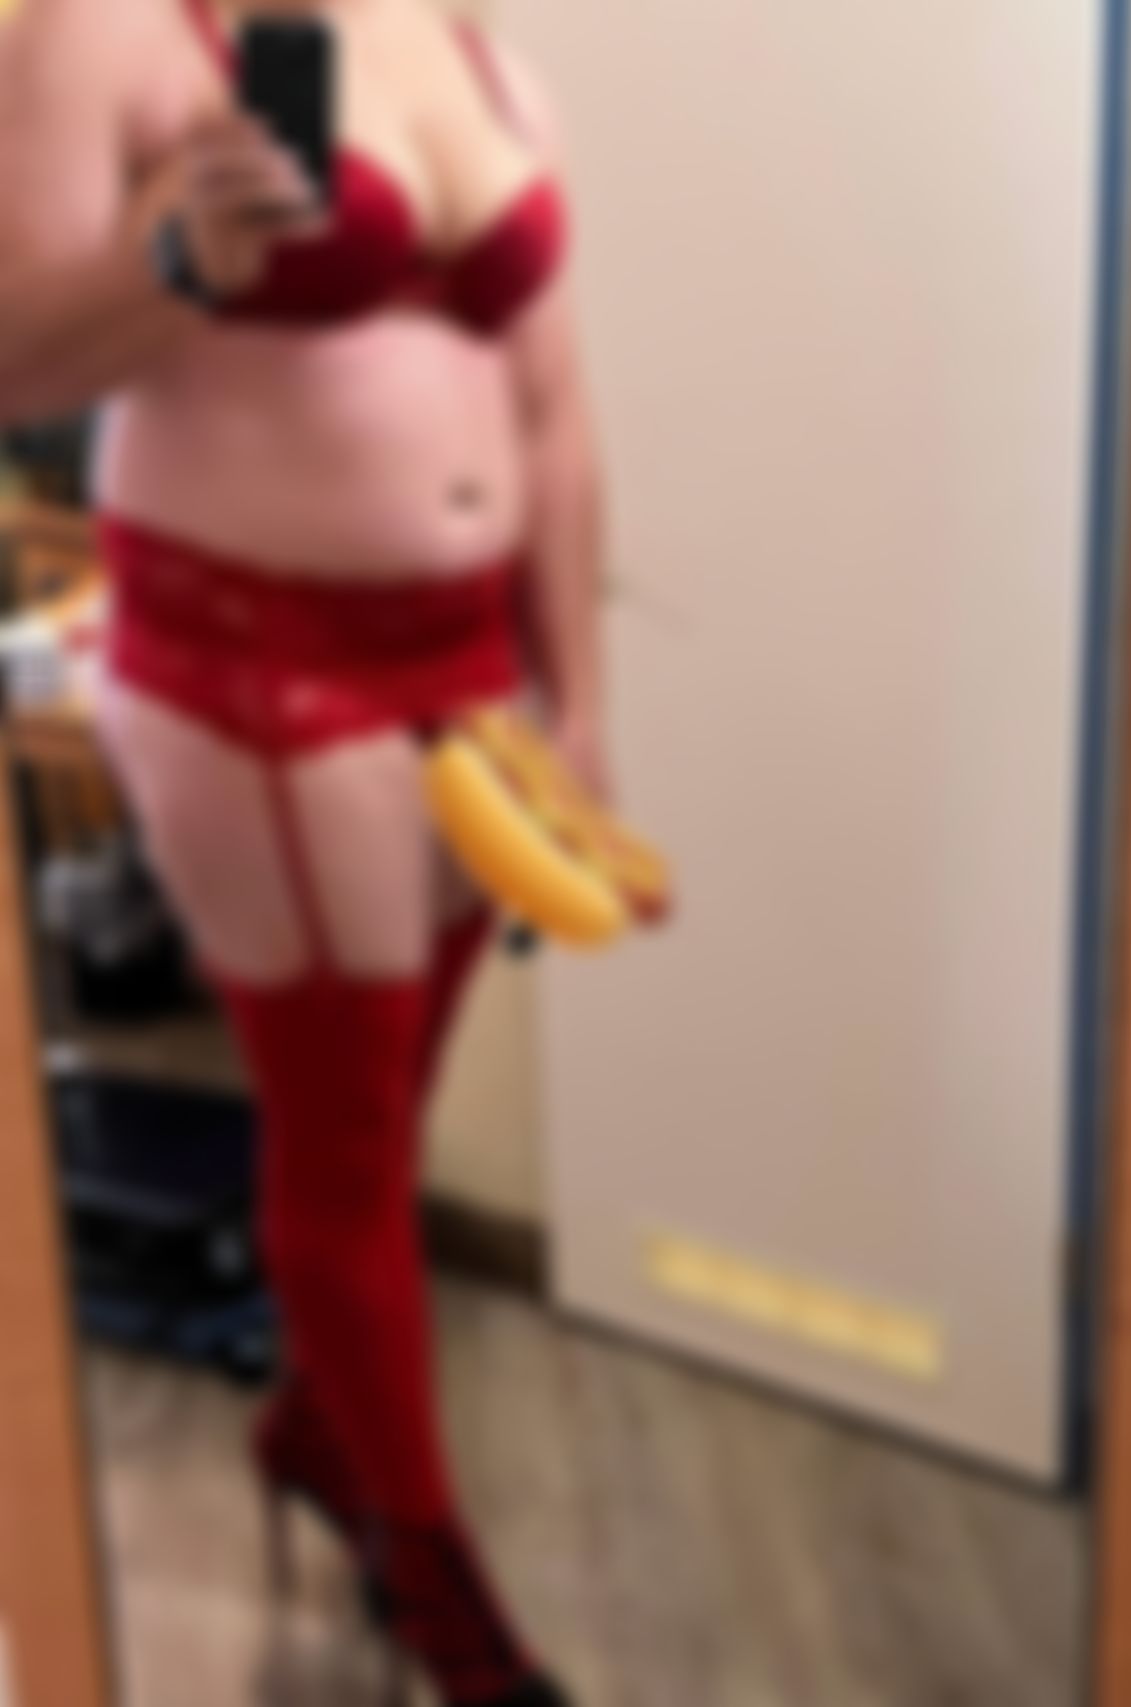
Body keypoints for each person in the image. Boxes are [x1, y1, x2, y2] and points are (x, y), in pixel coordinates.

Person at [0, 1, 607, 1701]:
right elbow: (13, 362)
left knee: (388, 1118)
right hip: (257, 667)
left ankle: (317, 1435)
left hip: (470, 676)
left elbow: (555, 413)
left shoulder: (479, 53)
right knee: (341, 1145)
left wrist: (584, 700)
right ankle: (439, 1595)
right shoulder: (103, 31)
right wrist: (173, 261)